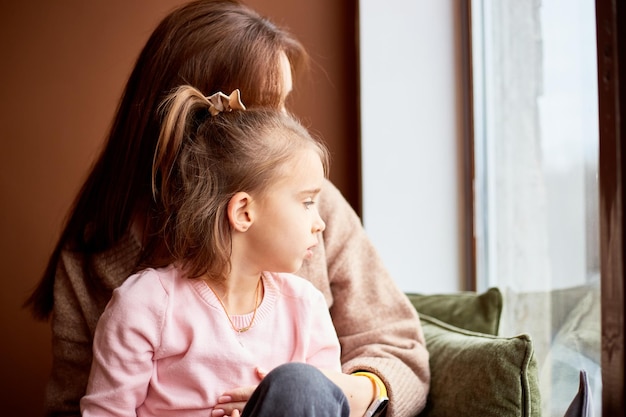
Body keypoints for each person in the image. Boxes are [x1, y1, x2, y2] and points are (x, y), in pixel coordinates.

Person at [24, 1, 430, 416]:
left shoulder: (313, 207)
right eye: (270, 107)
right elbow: (75, 407)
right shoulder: (101, 262)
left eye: (287, 103)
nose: (289, 126)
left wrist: (331, 388)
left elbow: (401, 352)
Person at [81, 85, 348, 416]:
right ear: (243, 212)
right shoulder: (145, 306)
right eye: (307, 202)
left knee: (302, 385)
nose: (319, 223)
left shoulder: (306, 308)